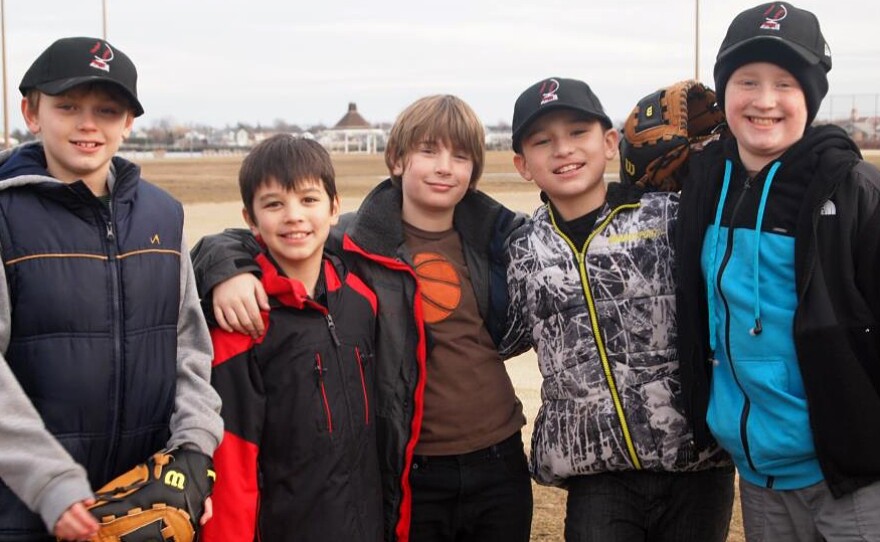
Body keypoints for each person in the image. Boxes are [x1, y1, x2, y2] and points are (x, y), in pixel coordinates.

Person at [190, 95, 532, 541]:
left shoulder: (498, 240)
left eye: (460, 156)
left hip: (499, 456)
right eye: (428, 151)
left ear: (475, 171)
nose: (444, 167)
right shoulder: (355, 240)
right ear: (397, 159)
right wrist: (227, 271)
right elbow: (257, 235)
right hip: (414, 467)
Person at [0, 37, 222, 541]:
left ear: (128, 123)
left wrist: (192, 455)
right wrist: (49, 482)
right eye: (67, 106)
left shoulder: (162, 215)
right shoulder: (5, 217)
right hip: (25, 512)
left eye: (107, 110)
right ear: (31, 113)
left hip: (143, 509)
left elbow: (188, 348)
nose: (88, 124)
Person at [674, 3, 880, 540]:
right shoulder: (704, 183)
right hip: (759, 474)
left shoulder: (855, 190)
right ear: (724, 92)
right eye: (747, 81)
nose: (764, 101)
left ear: (810, 96)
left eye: (785, 84)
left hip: (853, 475)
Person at [500, 76, 734, 541]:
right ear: (523, 165)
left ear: (609, 143)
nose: (563, 149)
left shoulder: (670, 217)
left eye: (578, 132)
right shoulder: (522, 251)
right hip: (598, 472)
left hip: (697, 461)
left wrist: (721, 159)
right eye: (543, 141)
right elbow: (497, 336)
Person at [200, 135, 382, 541]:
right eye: (274, 204)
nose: (294, 216)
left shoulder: (362, 301)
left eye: (308, 199)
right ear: (250, 219)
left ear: (334, 208)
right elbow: (231, 464)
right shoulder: (242, 322)